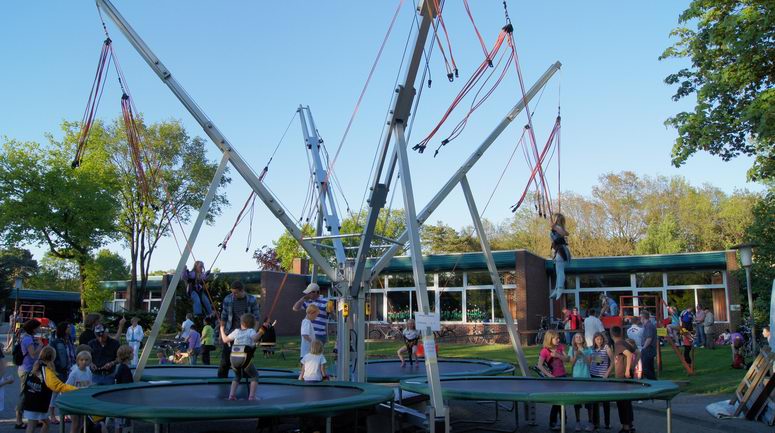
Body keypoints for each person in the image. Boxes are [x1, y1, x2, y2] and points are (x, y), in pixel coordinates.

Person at [22, 346, 77, 433]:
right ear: (52, 357)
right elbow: (58, 386)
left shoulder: (36, 366)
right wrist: (76, 389)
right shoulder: (46, 371)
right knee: (33, 425)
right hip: (38, 403)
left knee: (43, 423)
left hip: (29, 400)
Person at [218, 280, 260, 379]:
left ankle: (245, 383)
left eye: (236, 293)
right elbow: (223, 317)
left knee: (245, 362)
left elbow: (256, 318)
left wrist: (253, 333)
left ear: (242, 290)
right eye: (232, 292)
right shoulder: (228, 299)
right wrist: (221, 333)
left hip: (246, 335)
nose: (233, 295)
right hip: (231, 332)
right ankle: (221, 382)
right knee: (225, 361)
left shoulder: (252, 300)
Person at [219, 313, 264, 401]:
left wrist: (221, 329)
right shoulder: (251, 331)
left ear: (242, 323)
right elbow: (255, 338)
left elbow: (225, 340)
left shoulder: (236, 331)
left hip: (233, 358)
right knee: (254, 376)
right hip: (244, 358)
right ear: (252, 324)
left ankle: (231, 395)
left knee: (237, 376)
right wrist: (262, 330)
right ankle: (252, 397)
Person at [537, 330, 568, 431]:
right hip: (554, 379)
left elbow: (567, 359)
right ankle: (555, 422)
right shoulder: (545, 351)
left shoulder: (560, 347)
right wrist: (549, 375)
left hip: (563, 376)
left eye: (558, 338)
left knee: (563, 399)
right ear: (550, 339)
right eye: (556, 338)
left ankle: (562, 421)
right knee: (557, 401)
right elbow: (539, 365)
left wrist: (558, 355)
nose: (558, 340)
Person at [16, 319, 43, 430]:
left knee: (32, 394)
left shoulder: (28, 337)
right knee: (24, 395)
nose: (39, 329)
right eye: (38, 327)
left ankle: (33, 419)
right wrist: (40, 346)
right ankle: (18, 421)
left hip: (28, 369)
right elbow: (32, 354)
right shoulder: (28, 339)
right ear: (33, 328)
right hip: (26, 370)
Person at [611, 326, 636, 433]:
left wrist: (627, 370)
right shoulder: (625, 342)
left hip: (622, 377)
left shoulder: (618, 344)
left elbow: (629, 354)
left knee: (622, 402)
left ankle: (626, 427)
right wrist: (633, 366)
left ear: (612, 335)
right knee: (627, 401)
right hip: (625, 377)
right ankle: (630, 424)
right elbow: (637, 352)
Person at [48, 322, 75, 424]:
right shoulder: (55, 342)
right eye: (68, 327)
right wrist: (55, 368)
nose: (70, 328)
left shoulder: (70, 340)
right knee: (55, 393)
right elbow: (51, 356)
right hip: (59, 370)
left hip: (70, 370)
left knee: (66, 393)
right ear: (63, 329)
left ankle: (65, 414)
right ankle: (52, 415)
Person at [569, 333, 594, 432]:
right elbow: (571, 364)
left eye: (580, 337)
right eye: (576, 337)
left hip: (586, 378)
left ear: (583, 339)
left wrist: (582, 354)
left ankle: (590, 422)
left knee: (588, 402)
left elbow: (589, 363)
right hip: (576, 379)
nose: (578, 338)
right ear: (574, 340)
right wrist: (576, 355)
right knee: (577, 402)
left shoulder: (588, 349)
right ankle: (578, 422)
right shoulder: (571, 349)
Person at [590, 332, 613, 430]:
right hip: (593, 376)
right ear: (594, 340)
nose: (599, 341)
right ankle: (596, 423)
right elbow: (595, 361)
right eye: (597, 339)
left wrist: (607, 373)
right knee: (594, 401)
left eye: (601, 339)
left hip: (603, 377)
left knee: (605, 401)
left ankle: (607, 423)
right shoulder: (592, 349)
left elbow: (612, 362)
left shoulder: (606, 348)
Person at [66, 351, 92, 433]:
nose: (84, 362)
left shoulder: (89, 371)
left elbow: (89, 386)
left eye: (86, 360)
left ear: (89, 361)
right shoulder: (74, 373)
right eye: (82, 360)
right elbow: (66, 387)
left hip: (84, 402)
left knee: (82, 424)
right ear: (77, 361)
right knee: (75, 424)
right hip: (74, 402)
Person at [112, 346, 133, 433]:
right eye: (132, 353)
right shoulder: (124, 369)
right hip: (123, 399)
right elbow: (126, 385)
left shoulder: (121, 367)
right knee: (121, 423)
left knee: (119, 422)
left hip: (119, 398)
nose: (133, 354)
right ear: (127, 355)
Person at [550, 213, 570, 300]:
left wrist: (555, 227)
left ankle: (560, 288)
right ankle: (556, 289)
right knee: (558, 271)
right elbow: (565, 233)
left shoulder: (558, 228)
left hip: (561, 250)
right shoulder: (557, 228)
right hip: (557, 251)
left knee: (560, 270)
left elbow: (564, 233)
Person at [640, 311, 658, 380]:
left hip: (648, 349)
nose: (640, 319)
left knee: (646, 368)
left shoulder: (649, 326)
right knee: (650, 368)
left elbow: (649, 338)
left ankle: (652, 380)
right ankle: (653, 381)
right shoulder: (647, 325)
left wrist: (643, 348)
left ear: (643, 317)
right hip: (649, 349)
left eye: (640, 317)